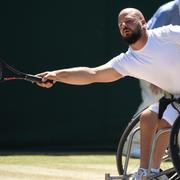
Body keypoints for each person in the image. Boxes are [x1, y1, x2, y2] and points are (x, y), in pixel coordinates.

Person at [36, 7, 180, 180]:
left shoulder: (168, 34)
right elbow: (92, 74)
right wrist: (56, 75)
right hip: (177, 98)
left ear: (143, 23)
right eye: (120, 24)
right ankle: (149, 172)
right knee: (148, 117)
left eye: (129, 20)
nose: (124, 25)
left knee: (164, 122)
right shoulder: (128, 60)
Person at [129, 0, 180, 158]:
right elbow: (146, 41)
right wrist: (155, 76)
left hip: (172, 69)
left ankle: (171, 148)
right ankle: (131, 146)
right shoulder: (168, 10)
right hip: (152, 67)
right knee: (152, 104)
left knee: (174, 110)